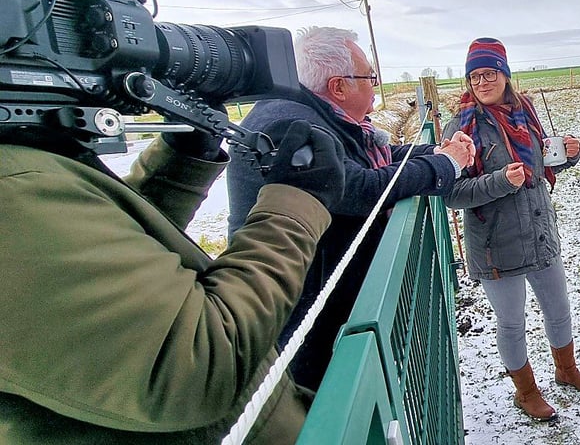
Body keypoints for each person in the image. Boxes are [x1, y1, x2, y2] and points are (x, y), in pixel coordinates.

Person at [0, 114, 347, 443]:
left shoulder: (22, 164)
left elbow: (107, 251)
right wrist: (295, 207)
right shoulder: (10, 192)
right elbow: (199, 360)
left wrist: (183, 160)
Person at [226, 26, 475, 391]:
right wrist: (445, 166)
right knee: (332, 396)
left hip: (328, 291)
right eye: (369, 78)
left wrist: (434, 152)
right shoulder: (289, 124)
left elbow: (374, 162)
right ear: (338, 86)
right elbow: (358, 188)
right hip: (304, 309)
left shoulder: (314, 113)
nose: (375, 87)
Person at [441, 37, 580, 421]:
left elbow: (538, 165)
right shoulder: (461, 128)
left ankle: (566, 370)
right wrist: (500, 181)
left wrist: (567, 157)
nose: (482, 82)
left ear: (505, 75)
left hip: (540, 232)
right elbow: (451, 194)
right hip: (496, 245)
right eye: (474, 76)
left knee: (559, 311)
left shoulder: (525, 111)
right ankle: (526, 391)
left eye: (489, 73)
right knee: (512, 323)